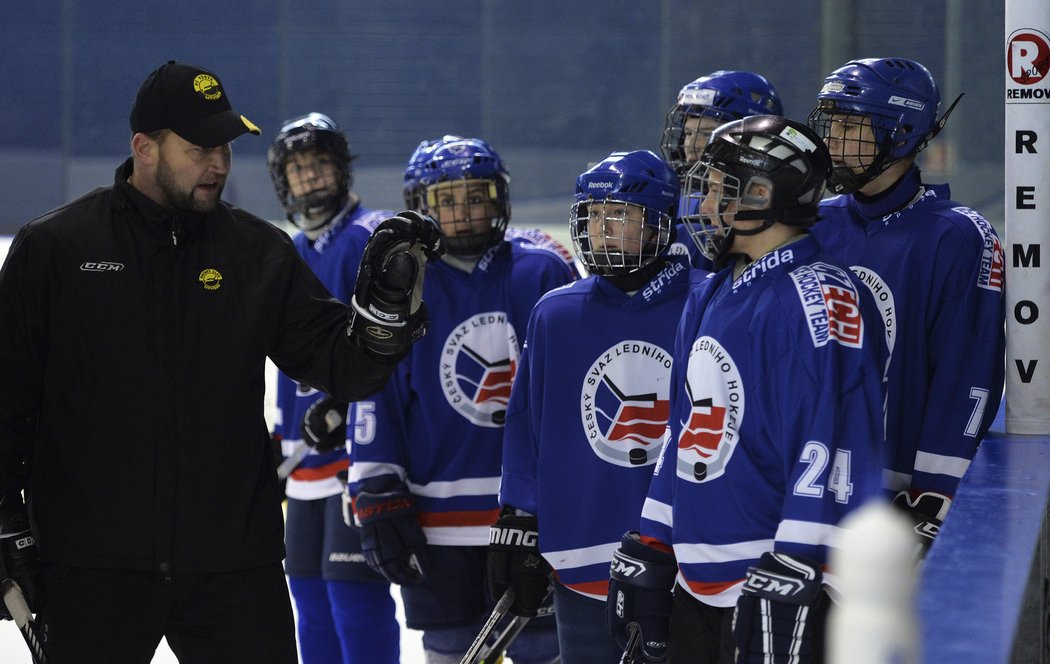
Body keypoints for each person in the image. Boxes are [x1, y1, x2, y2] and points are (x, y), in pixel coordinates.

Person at [0, 60, 442, 664]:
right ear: (144, 147)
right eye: (200, 147)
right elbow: (6, 402)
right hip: (89, 569)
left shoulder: (256, 251)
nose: (219, 164)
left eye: (227, 147)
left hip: (233, 570)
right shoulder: (57, 249)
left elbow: (345, 368)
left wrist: (385, 317)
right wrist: (4, 522)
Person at [607, 116, 888, 664]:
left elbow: (832, 438)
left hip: (779, 577)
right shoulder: (712, 288)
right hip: (698, 577)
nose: (704, 205)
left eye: (718, 189)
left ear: (763, 194)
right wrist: (654, 540)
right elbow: (685, 430)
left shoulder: (820, 295)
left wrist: (800, 561)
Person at [345, 136, 576, 664]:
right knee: (449, 650)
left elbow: (566, 395)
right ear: (419, 208)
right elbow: (375, 390)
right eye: (447, 200)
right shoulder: (401, 283)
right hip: (436, 523)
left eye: (476, 196)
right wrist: (378, 490)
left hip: (529, 519)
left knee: (545, 649)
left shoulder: (542, 270)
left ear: (500, 199)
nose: (464, 213)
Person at [489, 150, 708, 664]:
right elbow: (527, 427)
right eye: (594, 216)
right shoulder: (557, 312)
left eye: (621, 217)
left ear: (659, 225)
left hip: (681, 564)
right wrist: (518, 517)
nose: (603, 230)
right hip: (580, 554)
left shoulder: (706, 300)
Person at [806, 57, 1006, 551]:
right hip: (803, 493)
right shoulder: (813, 224)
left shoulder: (956, 235)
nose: (832, 140)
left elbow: (967, 375)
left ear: (901, 130)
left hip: (888, 505)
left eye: (850, 124)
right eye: (831, 122)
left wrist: (933, 494)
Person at [267, 112, 400, 664]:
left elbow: (398, 344)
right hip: (302, 460)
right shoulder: (289, 250)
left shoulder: (372, 237)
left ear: (341, 169)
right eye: (299, 170)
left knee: (352, 593)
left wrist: (349, 406)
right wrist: (278, 429)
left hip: (356, 456)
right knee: (308, 594)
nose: (311, 178)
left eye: (320, 164)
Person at [659, 70, 783, 266]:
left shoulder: (779, 215)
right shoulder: (674, 208)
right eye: (689, 133)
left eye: (707, 133)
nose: (690, 146)